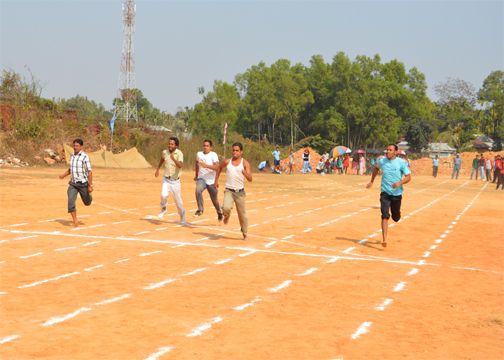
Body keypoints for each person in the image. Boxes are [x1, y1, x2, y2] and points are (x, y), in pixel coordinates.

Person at [366, 144, 411, 248]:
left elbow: (408, 177)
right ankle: (384, 239)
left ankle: (396, 215)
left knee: (396, 217)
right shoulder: (382, 161)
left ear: (395, 152)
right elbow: (376, 169)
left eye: (390, 150)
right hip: (385, 193)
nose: (387, 151)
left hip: (397, 194)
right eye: (387, 150)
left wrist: (400, 183)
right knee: (384, 215)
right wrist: (371, 181)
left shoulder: (401, 163)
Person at [215, 142, 252, 240]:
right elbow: (219, 168)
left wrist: (244, 173)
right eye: (233, 150)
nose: (235, 152)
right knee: (226, 207)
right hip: (229, 190)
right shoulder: (227, 162)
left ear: (241, 152)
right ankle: (226, 215)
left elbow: (250, 178)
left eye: (237, 150)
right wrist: (216, 181)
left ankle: (244, 232)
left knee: (242, 214)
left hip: (240, 192)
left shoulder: (245, 163)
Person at [59, 138, 93, 227]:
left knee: (87, 202)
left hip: (83, 184)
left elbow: (89, 171)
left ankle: (89, 197)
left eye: (77, 146)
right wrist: (63, 175)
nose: (75, 147)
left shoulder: (85, 157)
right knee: (70, 201)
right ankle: (75, 220)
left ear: (81, 147)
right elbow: (71, 169)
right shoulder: (72, 156)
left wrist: (90, 185)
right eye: (74, 145)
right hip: (73, 184)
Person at [155, 137, 186, 224]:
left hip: (175, 182)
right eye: (169, 143)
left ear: (176, 145)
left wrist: (174, 159)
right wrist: (157, 169)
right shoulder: (165, 152)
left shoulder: (179, 153)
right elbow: (162, 159)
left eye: (172, 144)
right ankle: (163, 209)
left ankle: (182, 215)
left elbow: (180, 165)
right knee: (163, 195)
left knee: (178, 202)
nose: (170, 145)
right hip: (166, 179)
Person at [194, 139, 223, 221]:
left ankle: (219, 211)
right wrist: (196, 174)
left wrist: (206, 165)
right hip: (201, 178)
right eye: (204, 145)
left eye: (207, 146)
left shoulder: (213, 155)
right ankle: (200, 209)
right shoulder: (199, 154)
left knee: (214, 200)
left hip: (211, 181)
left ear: (211, 147)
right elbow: (196, 164)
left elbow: (217, 167)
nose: (205, 147)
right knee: (198, 190)